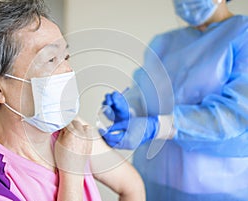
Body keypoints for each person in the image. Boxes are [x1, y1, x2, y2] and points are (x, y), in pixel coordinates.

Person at [0, 0, 146, 200]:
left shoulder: (72, 134)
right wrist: (72, 174)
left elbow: (132, 186)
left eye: (65, 56)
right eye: (51, 59)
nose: (67, 70)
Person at [100, 0, 248, 200]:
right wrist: (129, 108)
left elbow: (236, 114)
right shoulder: (164, 43)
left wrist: (159, 126)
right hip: (152, 178)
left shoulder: (242, 35)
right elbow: (146, 93)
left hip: (216, 187)